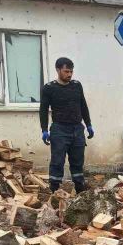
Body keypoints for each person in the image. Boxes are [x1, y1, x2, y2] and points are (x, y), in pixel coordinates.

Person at [40, 57, 94, 193]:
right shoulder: (49, 88)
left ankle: (80, 190)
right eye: (66, 71)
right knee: (57, 161)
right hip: (59, 130)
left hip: (77, 129)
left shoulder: (76, 85)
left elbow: (83, 105)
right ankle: (54, 191)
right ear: (58, 70)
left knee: (77, 161)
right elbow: (43, 110)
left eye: (71, 72)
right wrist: (44, 130)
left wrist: (88, 124)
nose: (69, 74)